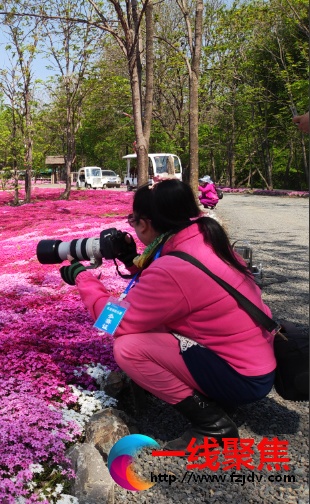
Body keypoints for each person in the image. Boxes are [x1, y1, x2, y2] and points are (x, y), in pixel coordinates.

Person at [59, 180, 276, 449]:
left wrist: (84, 279)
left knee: (128, 347)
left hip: (243, 378)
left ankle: (213, 424)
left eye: (133, 220)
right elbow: (168, 295)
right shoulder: (205, 240)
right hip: (259, 362)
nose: (133, 227)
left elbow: (112, 322)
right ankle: (217, 396)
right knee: (149, 328)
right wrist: (131, 261)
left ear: (146, 223)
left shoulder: (173, 269)